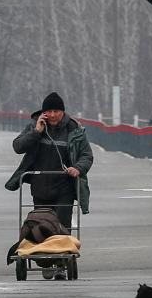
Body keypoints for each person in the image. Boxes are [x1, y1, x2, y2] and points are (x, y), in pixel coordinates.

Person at [6, 91, 93, 230]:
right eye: (49, 111)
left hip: (64, 188)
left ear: (63, 112)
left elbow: (87, 155)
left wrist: (77, 168)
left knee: (63, 228)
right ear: (43, 112)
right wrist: (36, 132)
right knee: (42, 227)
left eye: (56, 111)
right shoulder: (34, 126)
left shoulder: (74, 130)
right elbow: (18, 146)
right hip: (39, 187)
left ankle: (64, 250)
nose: (52, 115)